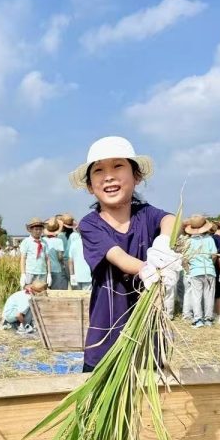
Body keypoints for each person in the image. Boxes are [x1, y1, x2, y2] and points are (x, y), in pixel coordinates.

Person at [72, 136, 180, 372]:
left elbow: (171, 219)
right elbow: (117, 256)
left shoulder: (147, 214)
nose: (108, 175)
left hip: (147, 339)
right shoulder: (90, 224)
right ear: (90, 186)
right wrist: (146, 268)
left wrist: (163, 243)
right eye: (99, 170)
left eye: (118, 166)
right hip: (106, 340)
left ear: (136, 176)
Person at [184, 215, 217, 328]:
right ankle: (208, 319)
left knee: (196, 296)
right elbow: (214, 255)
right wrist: (209, 264)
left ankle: (198, 319)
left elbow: (186, 258)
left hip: (195, 271)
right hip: (209, 270)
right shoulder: (210, 239)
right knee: (209, 295)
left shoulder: (189, 241)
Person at [19, 217, 51, 287]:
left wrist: (49, 274)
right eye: (36, 229)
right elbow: (23, 258)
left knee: (41, 294)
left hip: (42, 273)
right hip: (30, 272)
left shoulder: (44, 242)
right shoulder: (26, 242)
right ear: (31, 230)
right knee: (29, 293)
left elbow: (47, 258)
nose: (38, 231)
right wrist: (23, 274)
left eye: (40, 229)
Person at [66, 219, 92, 290]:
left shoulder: (74, 243)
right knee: (88, 298)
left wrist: (72, 275)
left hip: (77, 277)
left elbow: (70, 261)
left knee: (77, 298)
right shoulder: (92, 243)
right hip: (89, 277)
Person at [44, 217, 67, 289]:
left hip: (46, 269)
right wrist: (63, 264)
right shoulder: (58, 241)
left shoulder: (44, 240)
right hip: (57, 269)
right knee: (57, 290)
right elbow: (60, 256)